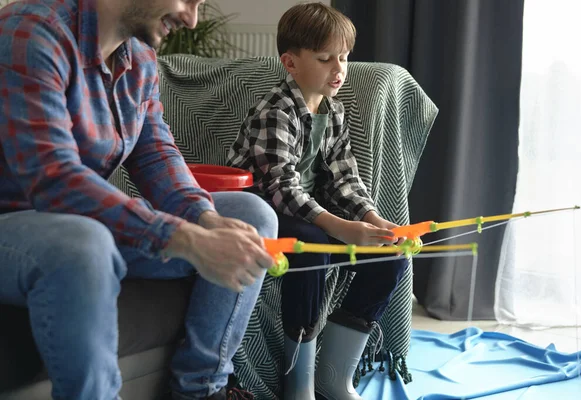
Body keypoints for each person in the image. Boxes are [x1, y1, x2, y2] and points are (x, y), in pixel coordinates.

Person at [0, 0, 278, 398]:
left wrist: (205, 220)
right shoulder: (31, 32)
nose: (192, 18)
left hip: (73, 219)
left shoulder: (140, 59)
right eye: (187, 0)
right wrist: (184, 238)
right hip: (16, 223)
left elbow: (156, 156)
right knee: (83, 244)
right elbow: (54, 179)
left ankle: (200, 388)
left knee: (250, 215)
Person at [226, 3, 409, 399]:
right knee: (314, 245)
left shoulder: (334, 113)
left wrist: (376, 222)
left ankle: (333, 377)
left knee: (392, 256)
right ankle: (299, 384)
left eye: (343, 57)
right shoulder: (275, 112)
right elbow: (280, 188)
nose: (338, 69)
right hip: (265, 214)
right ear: (290, 63)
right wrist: (343, 228)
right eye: (325, 59)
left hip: (312, 214)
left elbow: (345, 180)